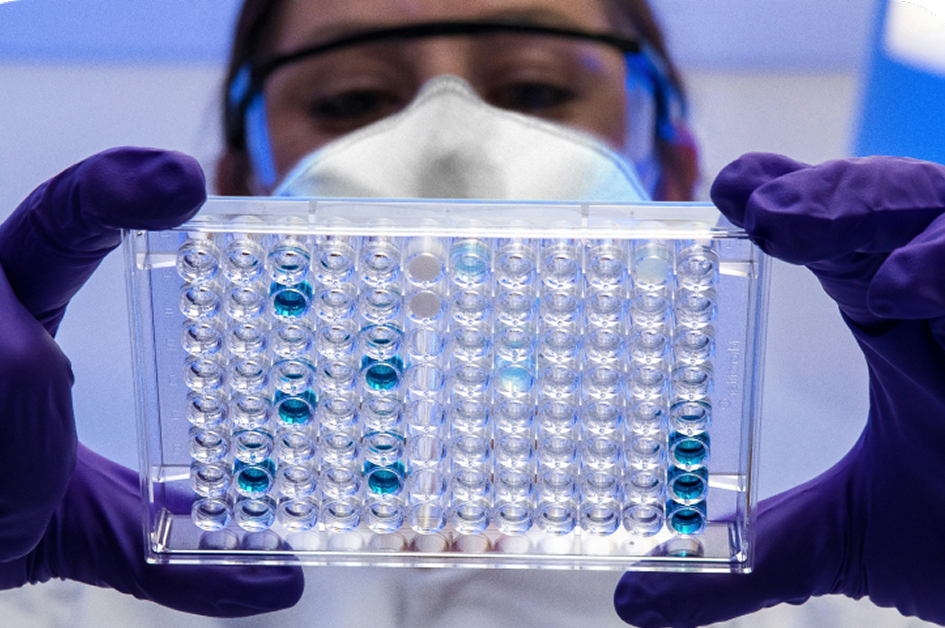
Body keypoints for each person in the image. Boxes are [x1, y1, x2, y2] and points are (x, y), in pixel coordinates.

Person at [1, 1, 944, 627]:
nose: (447, 137)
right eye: (352, 99)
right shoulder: (63, 603)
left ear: (677, 173)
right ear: (246, 185)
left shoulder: (851, 599)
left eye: (534, 88)